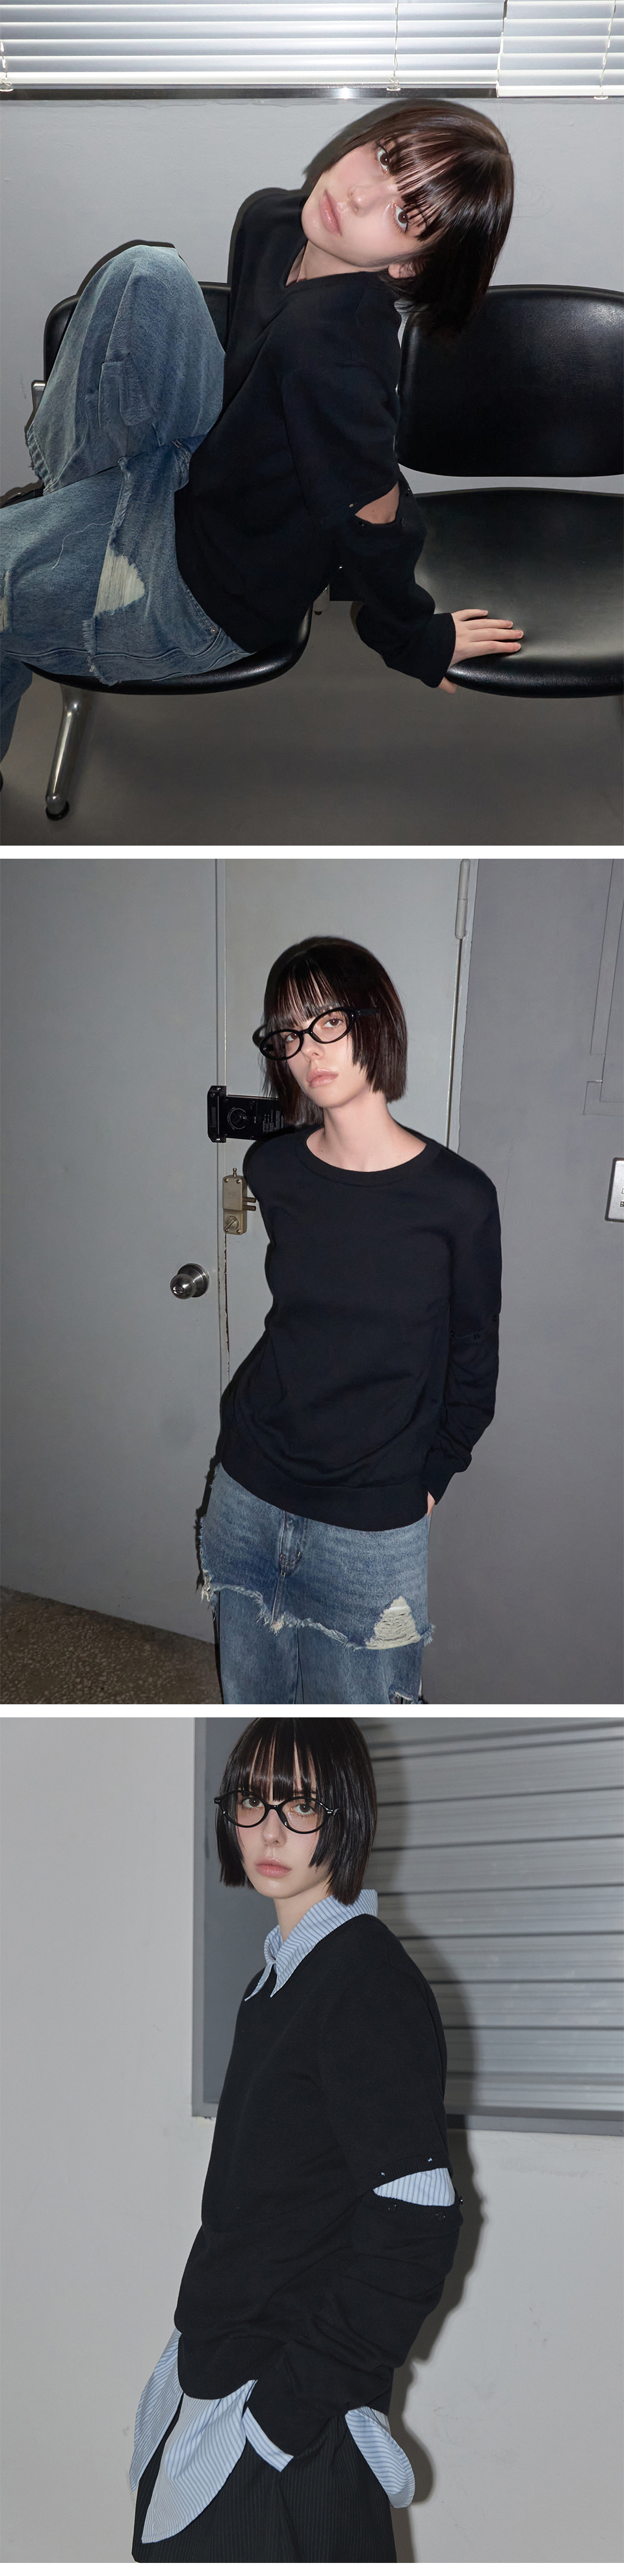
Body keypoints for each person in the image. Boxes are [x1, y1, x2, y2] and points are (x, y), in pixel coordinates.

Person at [0, 96, 522, 766]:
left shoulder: (336, 356)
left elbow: (372, 508)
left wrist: (413, 636)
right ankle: (76, 513)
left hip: (208, 592)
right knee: (146, 272)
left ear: (407, 266)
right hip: (196, 472)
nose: (359, 193)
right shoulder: (273, 220)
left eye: (402, 216)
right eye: (386, 158)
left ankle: (70, 539)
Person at [130, 1716, 462, 2564]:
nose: (270, 1831)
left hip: (284, 2438)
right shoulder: (279, 1978)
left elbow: (417, 2227)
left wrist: (282, 2417)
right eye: (253, 1799)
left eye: (301, 1805)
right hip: (220, 2386)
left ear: (347, 1815)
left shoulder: (366, 1982)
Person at [198, 930, 502, 1704]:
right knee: (254, 1712)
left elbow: (474, 1356)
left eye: (328, 1020)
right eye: (289, 1033)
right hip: (250, 1485)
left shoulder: (459, 1198)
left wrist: (431, 1479)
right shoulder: (273, 1168)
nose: (309, 1049)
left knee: (362, 1735)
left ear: (377, 1022)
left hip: (372, 1519)